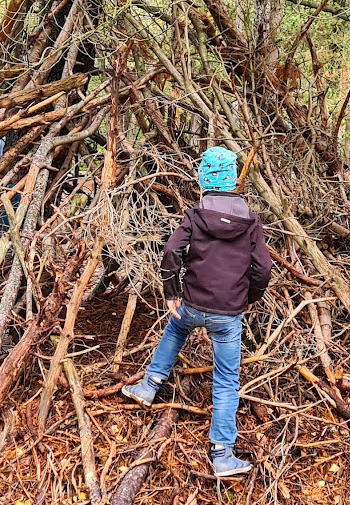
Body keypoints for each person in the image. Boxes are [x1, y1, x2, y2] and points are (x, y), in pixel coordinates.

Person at [122, 147, 272, 477]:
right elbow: (263, 267)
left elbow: (172, 250)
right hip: (228, 313)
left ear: (204, 180)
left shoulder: (195, 214)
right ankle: (221, 455)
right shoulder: (250, 221)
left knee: (176, 328)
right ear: (233, 181)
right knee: (227, 380)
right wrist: (251, 297)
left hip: (191, 304)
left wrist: (172, 292)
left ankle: (149, 387)